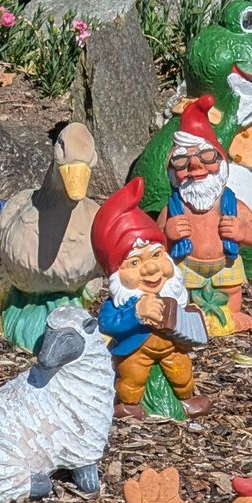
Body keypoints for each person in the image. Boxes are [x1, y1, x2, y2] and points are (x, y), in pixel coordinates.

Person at [94, 177, 208, 419]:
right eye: (135, 263)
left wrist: (196, 322)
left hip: (171, 347)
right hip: (136, 351)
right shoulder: (121, 302)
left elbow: (184, 314)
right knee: (132, 378)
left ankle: (187, 398)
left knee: (182, 373)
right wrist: (136, 313)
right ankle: (129, 405)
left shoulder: (172, 291)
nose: (151, 268)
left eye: (156, 255)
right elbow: (106, 323)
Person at [160, 94, 252, 334]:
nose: (195, 167)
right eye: (182, 161)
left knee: (232, 289)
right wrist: (167, 233)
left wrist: (242, 231)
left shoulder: (234, 204)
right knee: (182, 291)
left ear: (222, 163)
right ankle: (188, 318)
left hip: (225, 263)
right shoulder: (173, 207)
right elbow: (154, 242)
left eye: (206, 158)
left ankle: (233, 314)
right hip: (187, 264)